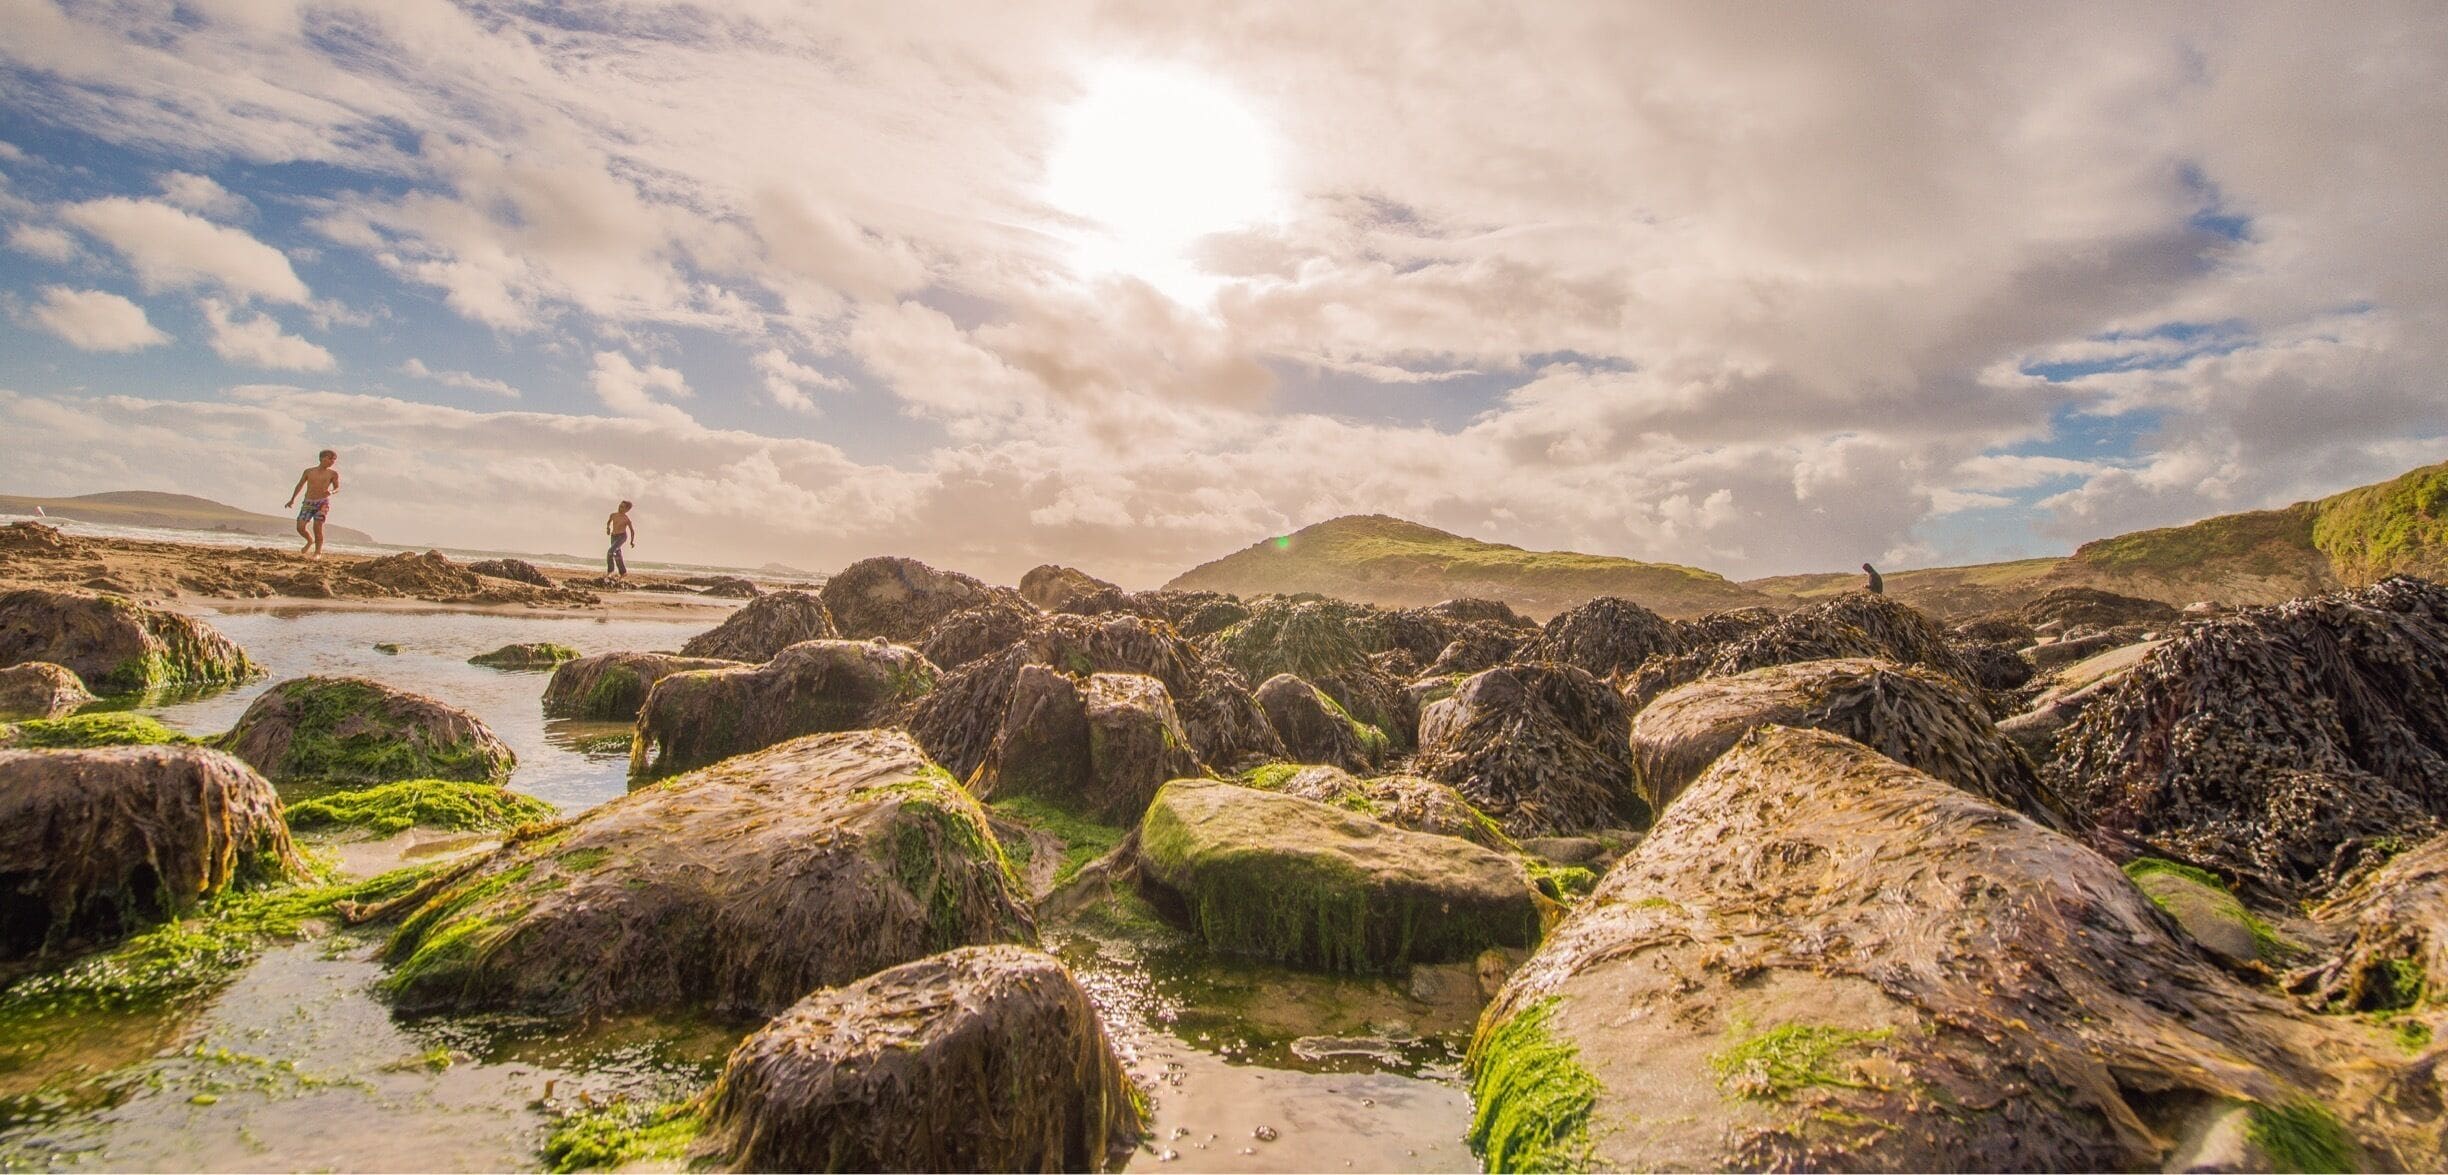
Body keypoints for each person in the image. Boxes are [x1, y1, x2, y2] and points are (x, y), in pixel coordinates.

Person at [285, 450, 340, 558]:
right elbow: (300, 485)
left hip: (322, 502)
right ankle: (310, 540)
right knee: (300, 527)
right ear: (321, 458)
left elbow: (337, 487)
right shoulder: (309, 471)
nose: (332, 461)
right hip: (308, 501)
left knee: (317, 527)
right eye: (330, 458)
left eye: (334, 459)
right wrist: (292, 499)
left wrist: (331, 492)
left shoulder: (333, 474)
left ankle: (318, 552)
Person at [606, 500, 637, 577]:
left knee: (610, 551)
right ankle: (623, 573)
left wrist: (632, 541)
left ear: (627, 510)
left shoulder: (626, 519)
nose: (620, 508)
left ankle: (610, 571)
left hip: (622, 536)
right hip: (613, 536)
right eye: (619, 506)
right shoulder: (613, 515)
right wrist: (608, 529)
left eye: (622, 507)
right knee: (617, 554)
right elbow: (608, 522)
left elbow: (632, 531)